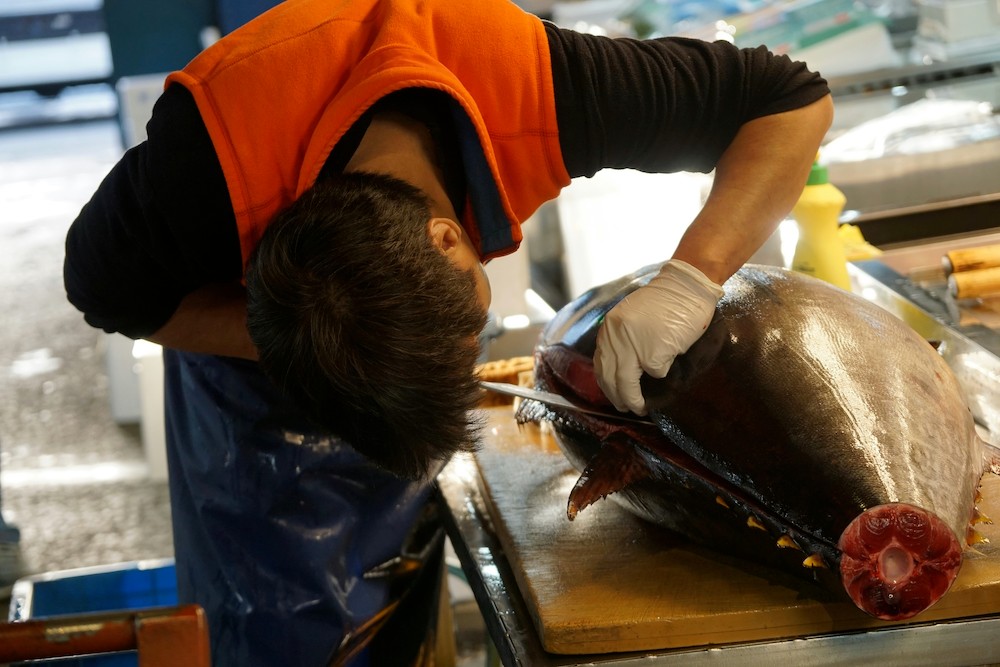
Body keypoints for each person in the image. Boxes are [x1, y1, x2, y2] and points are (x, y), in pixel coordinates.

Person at [64, 0, 833, 663]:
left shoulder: (535, 83)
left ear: (445, 236)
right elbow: (100, 292)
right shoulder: (199, 170)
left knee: (402, 600)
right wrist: (284, 346)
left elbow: (790, 100)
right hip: (250, 381)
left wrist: (692, 276)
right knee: (274, 626)